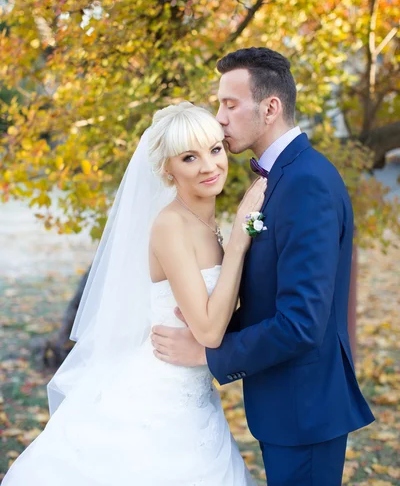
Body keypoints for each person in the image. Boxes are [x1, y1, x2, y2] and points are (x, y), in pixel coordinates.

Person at [2, 102, 267, 486]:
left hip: (193, 395)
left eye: (215, 150)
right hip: (156, 400)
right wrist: (240, 243)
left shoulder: (208, 221)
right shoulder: (170, 226)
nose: (209, 166)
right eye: (189, 157)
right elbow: (210, 331)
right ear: (167, 170)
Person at [152, 47, 375, 486]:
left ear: (270, 107)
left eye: (229, 104)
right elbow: (270, 292)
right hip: (286, 405)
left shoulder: (305, 183)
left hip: (304, 409)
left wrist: (209, 352)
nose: (219, 118)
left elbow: (301, 322)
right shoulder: (277, 179)